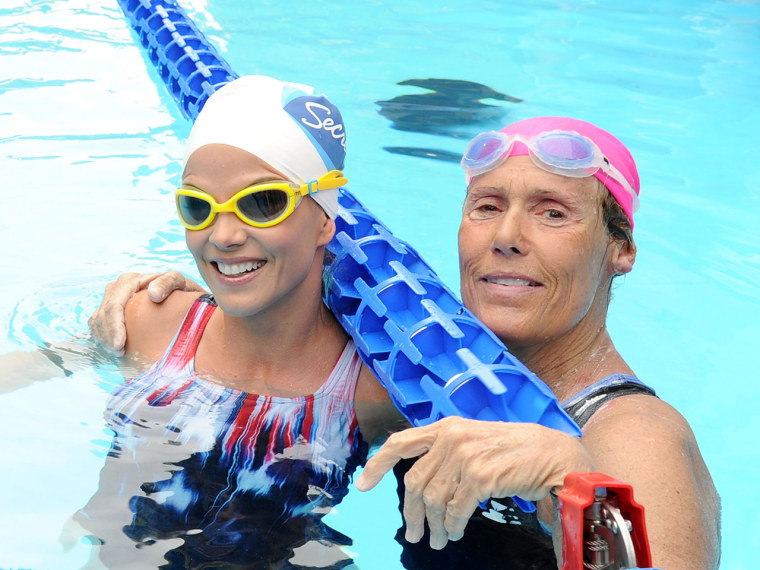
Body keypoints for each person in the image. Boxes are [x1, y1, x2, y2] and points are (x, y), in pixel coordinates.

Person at [91, 117, 721, 569]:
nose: (506, 236)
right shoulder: (422, 375)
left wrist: (571, 479)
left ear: (622, 249)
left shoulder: (633, 431)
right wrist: (188, 307)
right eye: (486, 206)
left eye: (553, 212)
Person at [41, 74, 404, 568]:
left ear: (325, 219)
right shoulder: (150, 323)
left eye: (262, 202)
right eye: (198, 206)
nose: (224, 235)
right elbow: (43, 365)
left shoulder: (371, 393)